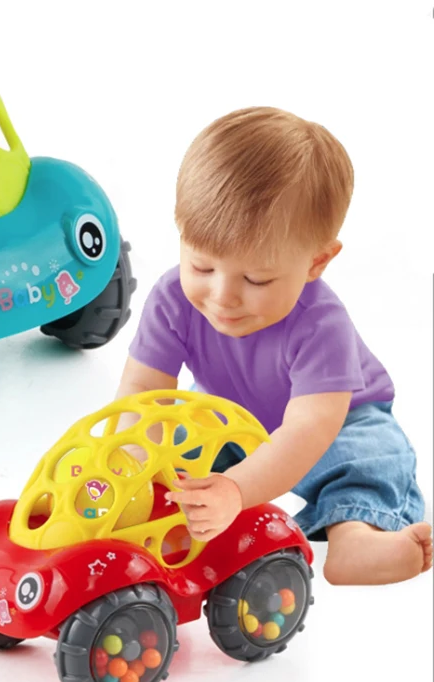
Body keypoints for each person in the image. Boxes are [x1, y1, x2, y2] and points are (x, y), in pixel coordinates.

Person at [118, 106, 432, 585]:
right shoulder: (172, 297)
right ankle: (161, 516)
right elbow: (144, 393)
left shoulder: (321, 323)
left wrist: (237, 489)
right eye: (202, 266)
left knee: (368, 457)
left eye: (256, 279)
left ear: (317, 262)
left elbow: (308, 429)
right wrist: (138, 466)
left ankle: (355, 535)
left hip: (337, 419)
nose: (223, 296)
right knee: (173, 444)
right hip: (225, 418)